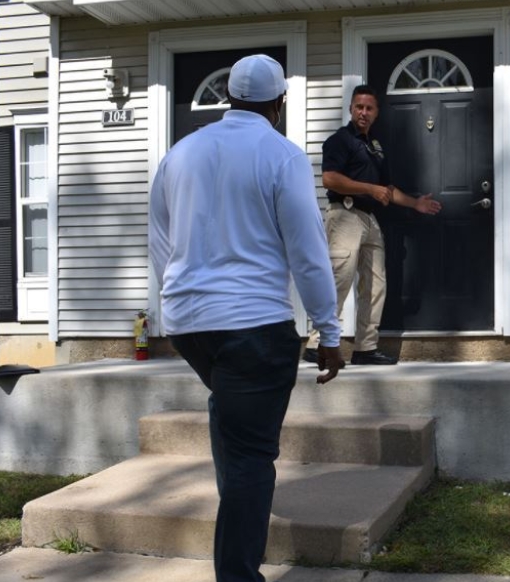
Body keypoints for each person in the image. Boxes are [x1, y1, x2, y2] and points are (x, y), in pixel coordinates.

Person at [148, 54, 343, 582]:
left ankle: (234, 525)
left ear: (229, 97)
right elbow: (308, 251)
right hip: (254, 324)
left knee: (232, 424)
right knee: (253, 458)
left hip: (191, 325)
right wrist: (329, 331)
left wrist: (171, 313)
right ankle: (237, 575)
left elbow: (161, 245)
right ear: (278, 103)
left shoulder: (179, 154)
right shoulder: (280, 155)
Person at [301, 84, 442, 366]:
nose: (363, 112)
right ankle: (317, 344)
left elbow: (386, 189)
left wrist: (415, 203)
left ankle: (365, 348)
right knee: (338, 282)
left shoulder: (375, 146)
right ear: (351, 109)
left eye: (369, 108)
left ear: (376, 112)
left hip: (370, 219)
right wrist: (368, 189)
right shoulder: (340, 141)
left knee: (376, 286)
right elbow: (330, 179)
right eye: (359, 107)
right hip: (344, 216)